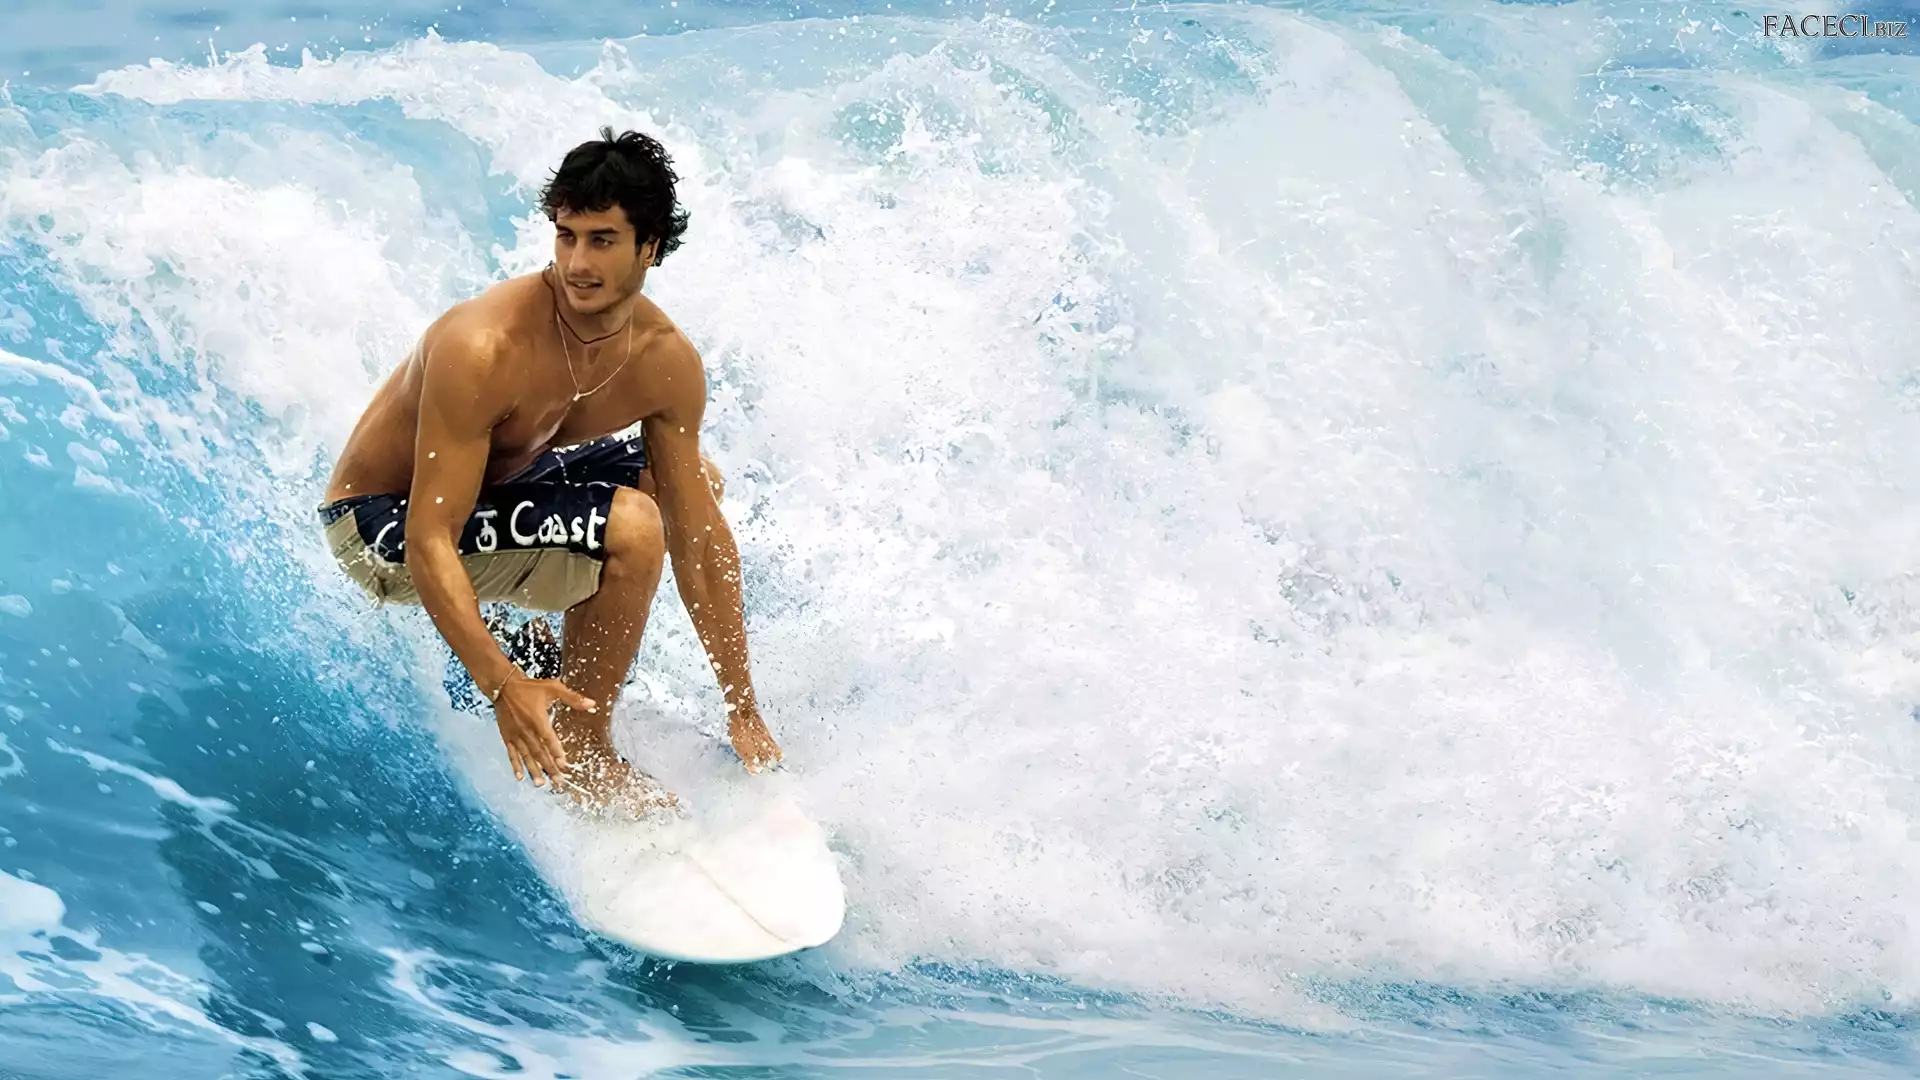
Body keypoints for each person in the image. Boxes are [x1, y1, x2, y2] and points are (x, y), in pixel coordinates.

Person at [317, 127, 782, 814]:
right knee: (631, 525)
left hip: (495, 495)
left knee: (690, 486)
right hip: (381, 525)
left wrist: (741, 705)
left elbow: (697, 537)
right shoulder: (486, 345)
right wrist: (501, 686)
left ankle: (536, 650)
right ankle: (582, 751)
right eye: (567, 237)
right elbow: (428, 536)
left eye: (602, 240)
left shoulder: (664, 361)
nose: (577, 263)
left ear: (650, 247)